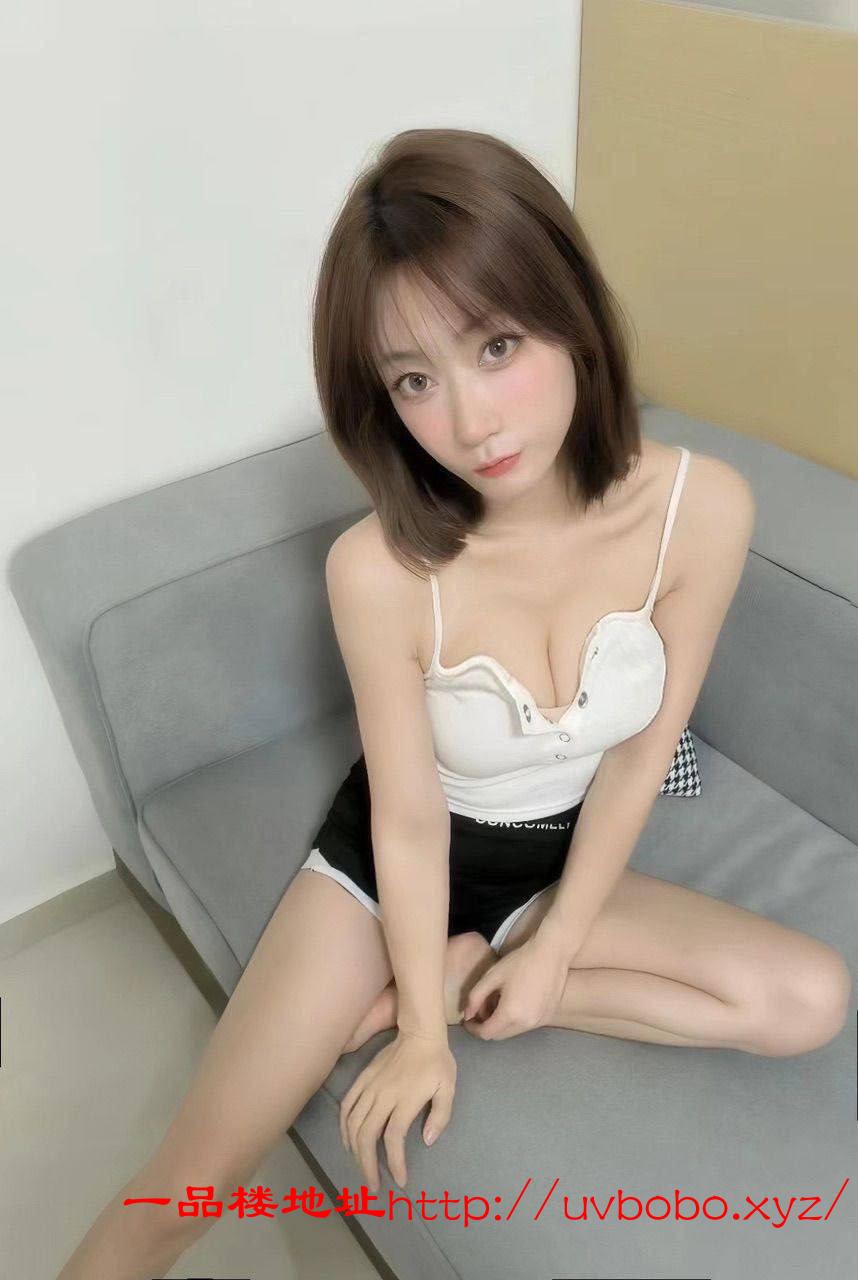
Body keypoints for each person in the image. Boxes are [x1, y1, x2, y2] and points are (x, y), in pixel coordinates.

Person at [56, 126, 851, 1279]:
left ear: (573, 313)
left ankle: (486, 966)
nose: (471, 421)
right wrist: (422, 1033)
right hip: (393, 862)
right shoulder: (377, 570)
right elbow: (410, 816)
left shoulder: (704, 510)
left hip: (557, 863)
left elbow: (641, 755)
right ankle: (441, 978)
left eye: (498, 344)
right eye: (415, 380)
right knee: (177, 1192)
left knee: (809, 998)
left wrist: (554, 947)